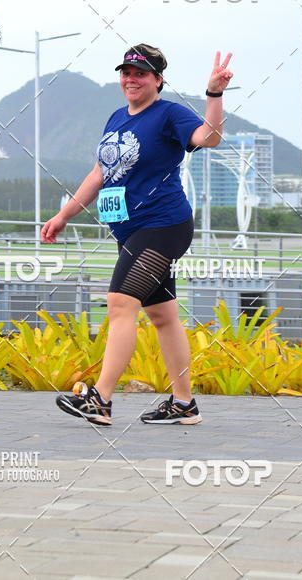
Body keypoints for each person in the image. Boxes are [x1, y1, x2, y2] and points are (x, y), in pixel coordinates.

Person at [41, 44, 233, 426]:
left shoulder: (168, 114)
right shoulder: (116, 118)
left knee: (119, 303)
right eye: (126, 73)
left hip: (162, 225)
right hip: (131, 230)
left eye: (141, 73)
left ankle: (100, 399)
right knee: (162, 315)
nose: (131, 79)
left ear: (158, 80)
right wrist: (64, 214)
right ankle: (184, 404)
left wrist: (213, 93)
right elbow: (100, 173)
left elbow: (209, 137)